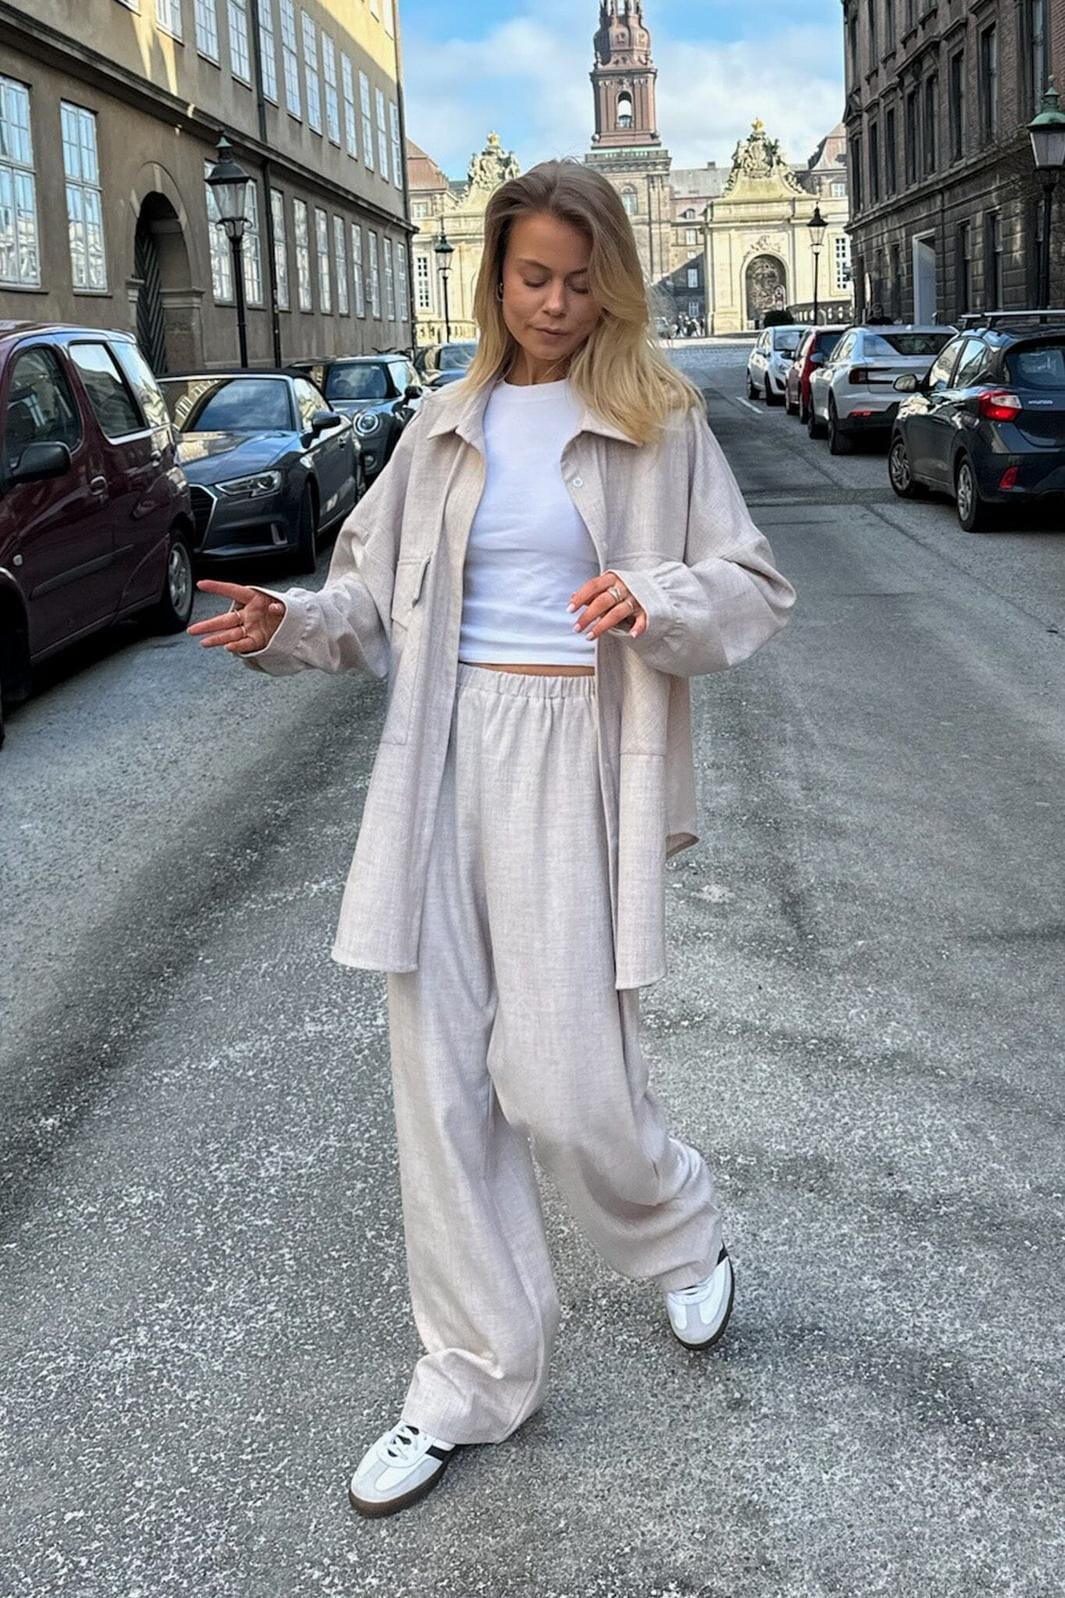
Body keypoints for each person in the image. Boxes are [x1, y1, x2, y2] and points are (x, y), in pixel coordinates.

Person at [188, 158, 796, 1519]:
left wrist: (652, 595)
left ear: (611, 284)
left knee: (565, 1082)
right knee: (443, 1088)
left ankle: (678, 1222)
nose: (555, 304)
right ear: (495, 277)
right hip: (442, 756)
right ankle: (471, 1374)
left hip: (576, 754)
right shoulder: (444, 423)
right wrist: (286, 624)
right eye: (532, 277)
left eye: (580, 281)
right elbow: (362, 602)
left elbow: (753, 586)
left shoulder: (659, 420)